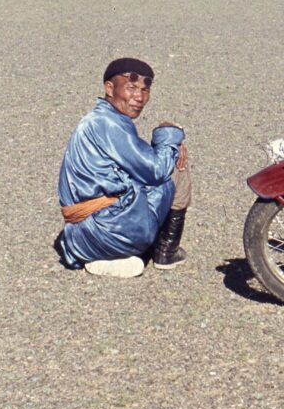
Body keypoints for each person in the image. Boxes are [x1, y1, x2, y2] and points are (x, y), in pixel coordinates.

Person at [55, 57, 191, 278]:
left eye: (145, 90)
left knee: (164, 158)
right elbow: (155, 170)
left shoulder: (96, 119)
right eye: (131, 88)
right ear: (109, 88)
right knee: (175, 167)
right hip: (106, 234)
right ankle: (166, 251)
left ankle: (112, 255)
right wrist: (169, 135)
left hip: (80, 234)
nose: (139, 97)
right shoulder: (108, 124)